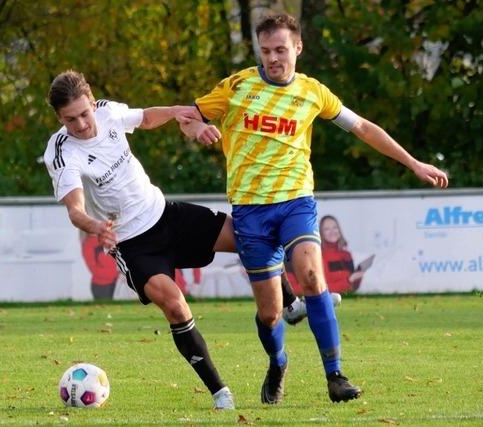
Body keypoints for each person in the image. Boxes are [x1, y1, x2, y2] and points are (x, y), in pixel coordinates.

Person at [181, 13, 448, 404]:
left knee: (310, 275)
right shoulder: (237, 86)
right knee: (271, 314)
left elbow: (363, 128)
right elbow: (188, 117)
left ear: (298, 48)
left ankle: (335, 374)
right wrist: (197, 129)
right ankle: (278, 361)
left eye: (281, 50)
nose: (273, 58)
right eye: (266, 50)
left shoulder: (313, 92)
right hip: (250, 211)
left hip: (296, 202)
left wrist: (413, 163)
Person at [43, 69, 309, 409]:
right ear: (59, 118)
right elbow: (75, 208)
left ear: (93, 103)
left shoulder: (107, 112)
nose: (81, 124)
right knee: (174, 305)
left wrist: (174, 112)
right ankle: (220, 393)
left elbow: (144, 118)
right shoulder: (62, 152)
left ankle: (289, 303)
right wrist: (94, 226)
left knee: (248, 236)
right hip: (133, 243)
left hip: (166, 214)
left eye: (84, 113)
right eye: (70, 119)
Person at [318, 215, 365, 293]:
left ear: (339, 230)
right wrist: (349, 280)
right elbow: (324, 288)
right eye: (327, 229)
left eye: (335, 227)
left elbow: (353, 287)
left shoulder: (347, 255)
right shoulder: (320, 256)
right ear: (321, 233)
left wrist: (358, 277)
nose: (332, 231)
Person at [81, 231, 120, 300]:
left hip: (116, 283)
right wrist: (117, 273)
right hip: (101, 286)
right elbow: (94, 270)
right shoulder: (88, 244)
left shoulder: (109, 237)